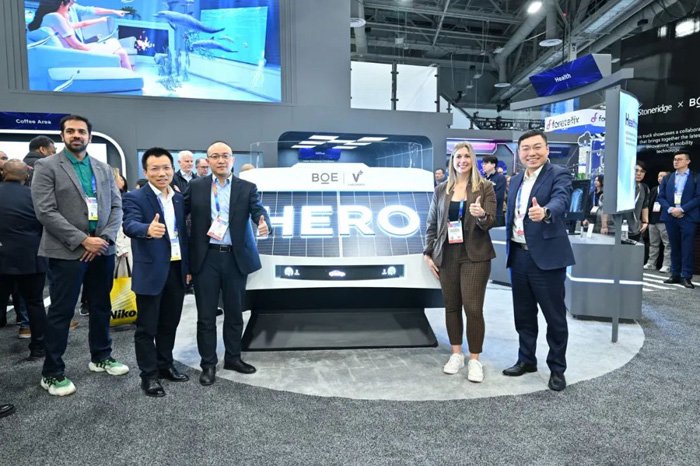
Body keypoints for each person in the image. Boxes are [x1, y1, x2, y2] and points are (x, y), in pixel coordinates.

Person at [31, 115, 128, 397]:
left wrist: (104, 239)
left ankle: (101, 356)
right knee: (62, 311)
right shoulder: (47, 166)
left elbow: (117, 207)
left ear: (89, 136)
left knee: (101, 306)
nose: (77, 135)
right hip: (67, 251)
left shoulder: (103, 168)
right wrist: (83, 240)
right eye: (71, 131)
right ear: (62, 136)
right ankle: (52, 372)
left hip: (103, 249)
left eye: (81, 131)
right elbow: (45, 211)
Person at [184, 141, 270, 386]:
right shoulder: (196, 186)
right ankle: (208, 364)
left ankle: (233, 357)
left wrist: (264, 222)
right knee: (206, 316)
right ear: (208, 160)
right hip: (206, 258)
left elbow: (258, 210)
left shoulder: (247, 187)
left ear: (232, 159)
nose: (220, 160)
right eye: (215, 156)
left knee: (234, 313)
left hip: (234, 258)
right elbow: (181, 215)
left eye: (225, 156)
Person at [502, 130, 575, 392]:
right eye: (525, 148)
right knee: (523, 314)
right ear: (519, 153)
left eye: (536, 147)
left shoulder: (558, 173)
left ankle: (557, 368)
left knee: (555, 318)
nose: (531, 153)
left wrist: (545, 212)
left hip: (546, 258)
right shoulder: (516, 180)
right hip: (518, 255)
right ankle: (526, 360)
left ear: (547, 149)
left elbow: (561, 200)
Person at [424, 142, 497, 383]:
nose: (462, 160)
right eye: (458, 156)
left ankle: (474, 359)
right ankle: (456, 354)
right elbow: (432, 223)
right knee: (452, 306)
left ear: (473, 160)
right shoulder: (441, 189)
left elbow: (491, 221)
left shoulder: (485, 187)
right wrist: (428, 252)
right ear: (452, 160)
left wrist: (481, 215)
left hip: (475, 255)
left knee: (473, 308)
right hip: (447, 255)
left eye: (467, 156)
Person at [123, 148, 190, 397]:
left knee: (169, 323)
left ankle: (165, 365)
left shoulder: (178, 198)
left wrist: (188, 268)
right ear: (146, 171)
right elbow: (129, 224)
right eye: (155, 169)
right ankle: (148, 375)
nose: (161, 173)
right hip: (150, 271)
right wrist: (147, 230)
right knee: (146, 328)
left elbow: (183, 235)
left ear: (172, 169)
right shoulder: (135, 197)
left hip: (176, 268)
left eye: (166, 168)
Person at [0, 160, 48, 361]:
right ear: (26, 176)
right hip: (31, 257)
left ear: (3, 173)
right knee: (35, 303)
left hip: (2, 256)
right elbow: (46, 224)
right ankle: (39, 347)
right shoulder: (35, 196)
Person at [28, 0, 132, 70]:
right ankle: (131, 80)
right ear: (61, 4)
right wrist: (96, 48)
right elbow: (77, 45)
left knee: (117, 48)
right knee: (119, 50)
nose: (69, 10)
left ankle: (128, 78)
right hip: (73, 54)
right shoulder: (56, 17)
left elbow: (81, 24)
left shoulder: (51, 17)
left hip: (72, 51)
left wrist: (101, 19)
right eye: (69, 7)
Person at [658, 150, 700, 289]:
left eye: (679, 159)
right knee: (674, 246)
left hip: (688, 217)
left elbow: (698, 197)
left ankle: (686, 276)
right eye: (675, 159)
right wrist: (671, 209)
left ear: (688, 161)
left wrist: (682, 209)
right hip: (670, 216)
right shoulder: (667, 178)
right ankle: (675, 274)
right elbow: (661, 197)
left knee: (687, 247)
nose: (676, 161)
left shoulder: (696, 177)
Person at [601, 162, 650, 241]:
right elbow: (606, 206)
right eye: (636, 170)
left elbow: (645, 206)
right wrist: (604, 226)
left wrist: (645, 222)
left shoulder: (644, 188)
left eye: (642, 171)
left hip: (634, 230)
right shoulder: (618, 186)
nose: (639, 173)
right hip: (615, 229)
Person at [644, 171, 671, 273]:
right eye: (659, 176)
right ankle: (651, 263)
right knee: (653, 243)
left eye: (663, 176)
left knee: (667, 244)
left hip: (664, 220)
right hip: (653, 220)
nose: (660, 178)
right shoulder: (654, 189)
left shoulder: (671, 189)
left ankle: (667, 265)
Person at [482, 156, 506, 226]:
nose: (483, 165)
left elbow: (499, 196)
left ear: (493, 165)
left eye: (486, 163)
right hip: (483, 213)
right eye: (483, 164)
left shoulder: (500, 178)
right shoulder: (482, 178)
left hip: (496, 213)